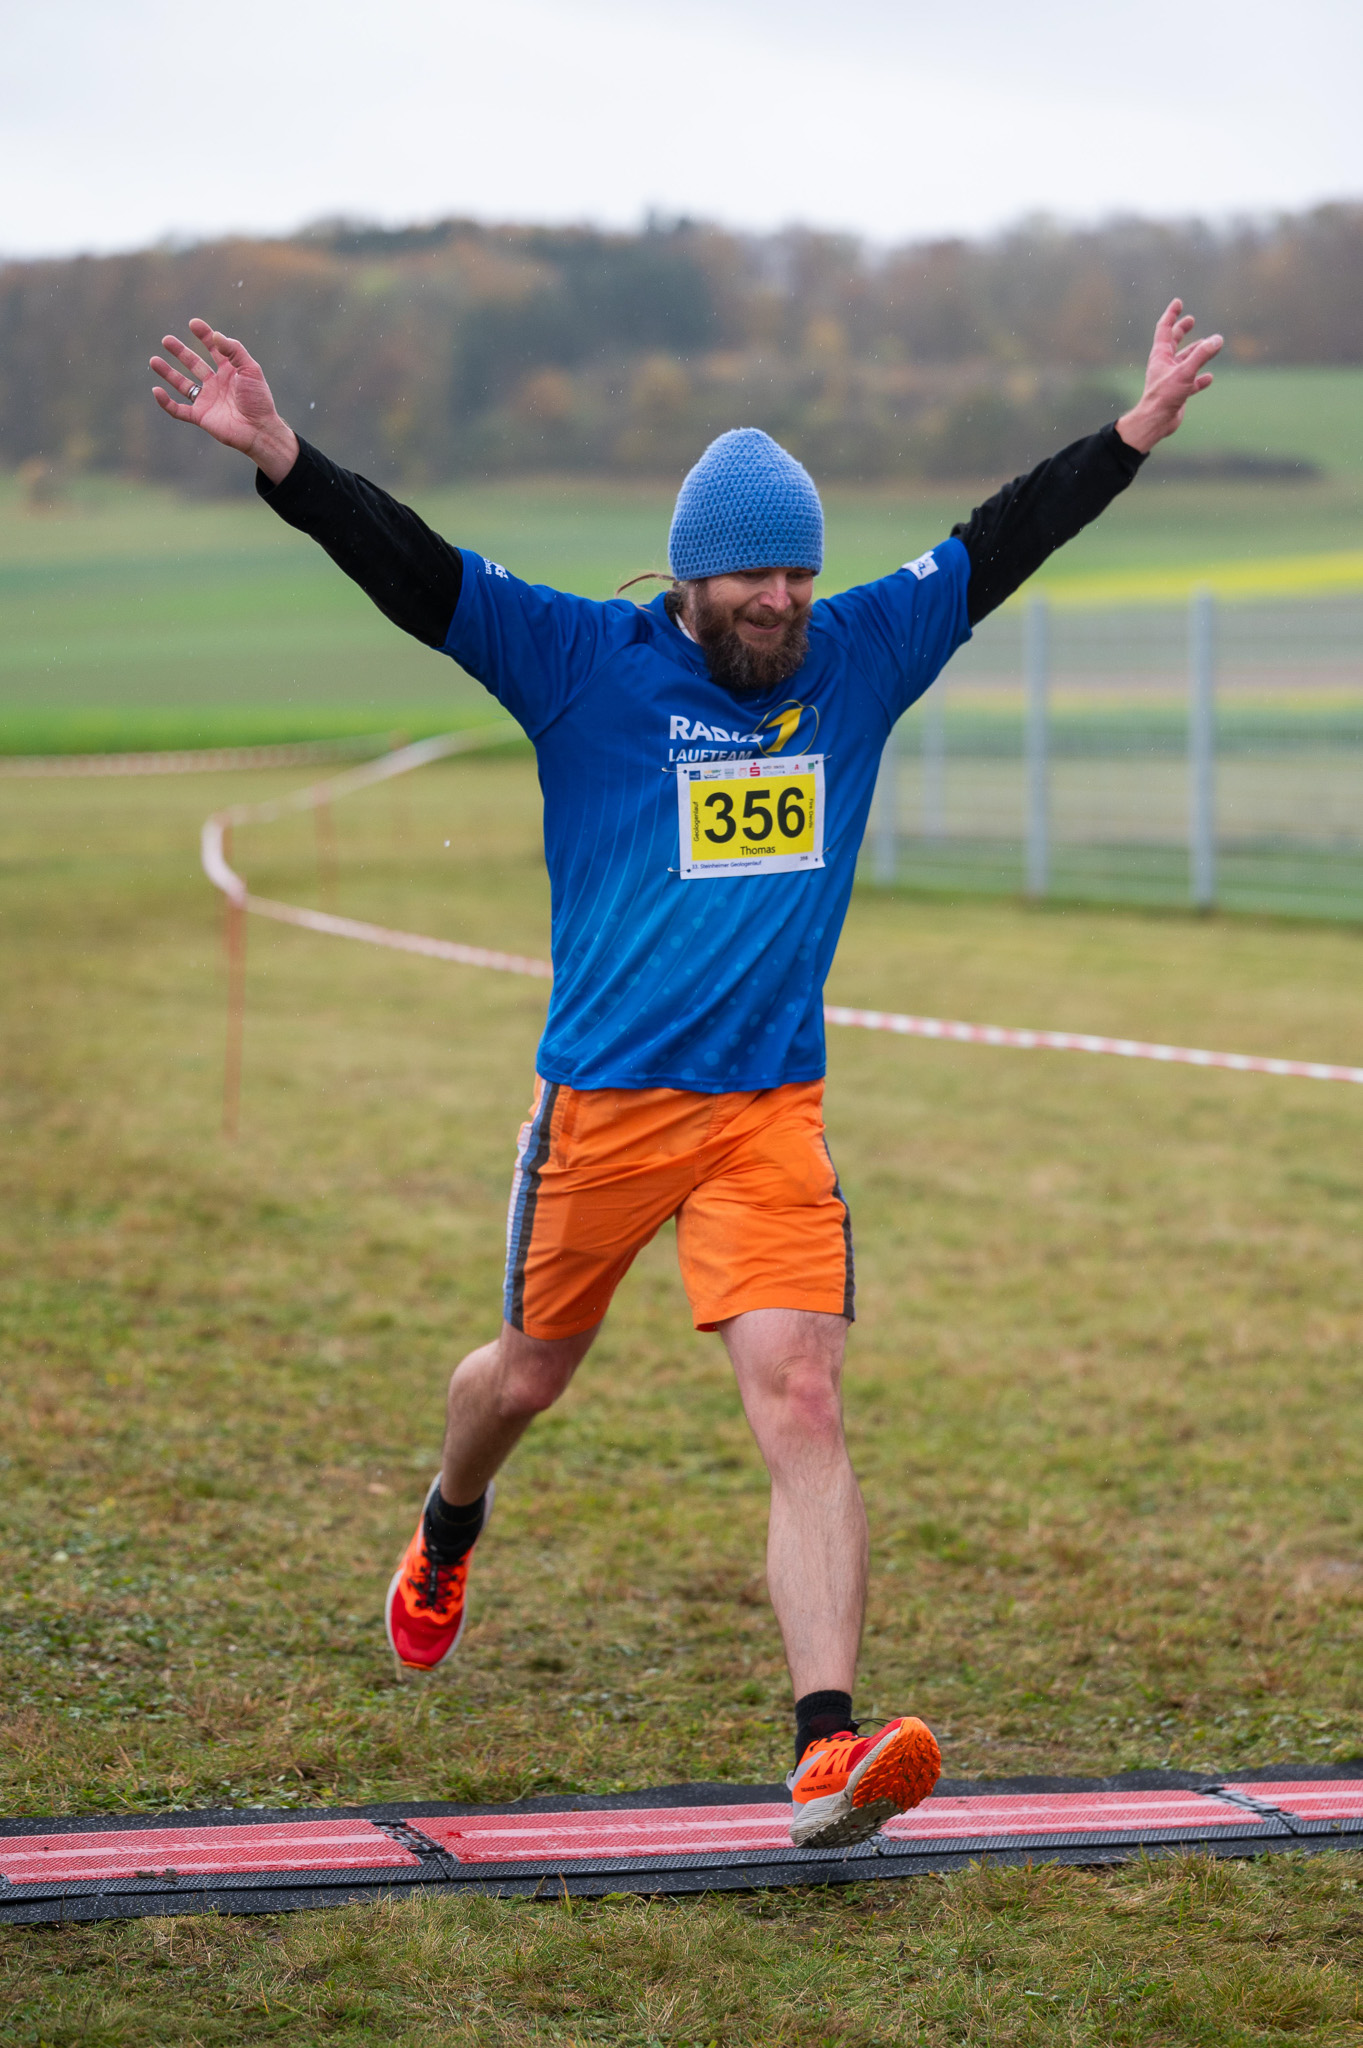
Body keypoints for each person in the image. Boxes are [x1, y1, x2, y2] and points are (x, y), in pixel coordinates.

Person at [151, 299, 1221, 1848]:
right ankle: (448, 1524)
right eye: (753, 576)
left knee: (806, 1396)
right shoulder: (580, 662)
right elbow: (420, 571)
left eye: (800, 572)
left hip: (767, 1118)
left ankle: (825, 1751)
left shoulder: (859, 656)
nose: (783, 600)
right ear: (690, 577)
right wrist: (286, 461)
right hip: (601, 1114)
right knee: (525, 1380)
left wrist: (1129, 435)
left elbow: (999, 540)